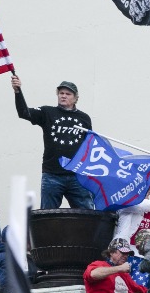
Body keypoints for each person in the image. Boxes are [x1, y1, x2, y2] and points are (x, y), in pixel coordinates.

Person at [11, 74, 94, 209]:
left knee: (88, 215)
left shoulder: (84, 118)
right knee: (47, 216)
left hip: (77, 175)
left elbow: (89, 146)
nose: (63, 96)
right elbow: (24, 113)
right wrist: (17, 91)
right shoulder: (47, 112)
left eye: (68, 93)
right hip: (52, 175)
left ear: (75, 98)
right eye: (61, 93)